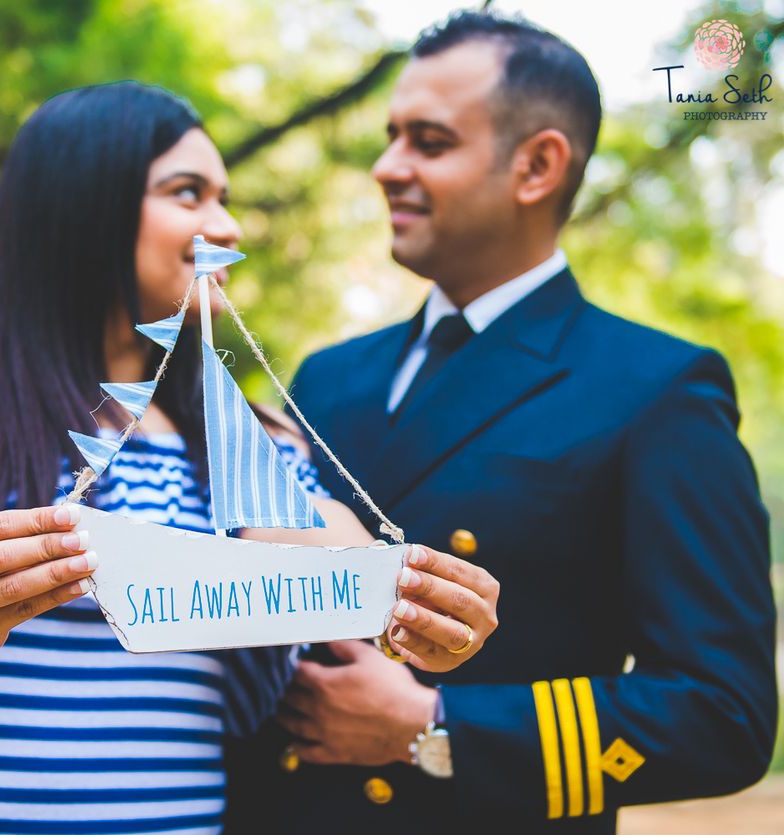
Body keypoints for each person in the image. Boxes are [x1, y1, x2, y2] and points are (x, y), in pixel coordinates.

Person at [0, 81, 498, 834]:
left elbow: (338, 561)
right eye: (187, 193)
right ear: (80, 207)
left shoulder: (251, 443)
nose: (225, 226)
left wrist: (410, 608)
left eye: (224, 198)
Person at [224, 11, 778, 835]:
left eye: (429, 141)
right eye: (389, 136)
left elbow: (721, 712)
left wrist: (435, 726)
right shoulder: (327, 375)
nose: (386, 167)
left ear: (537, 166)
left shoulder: (656, 388)